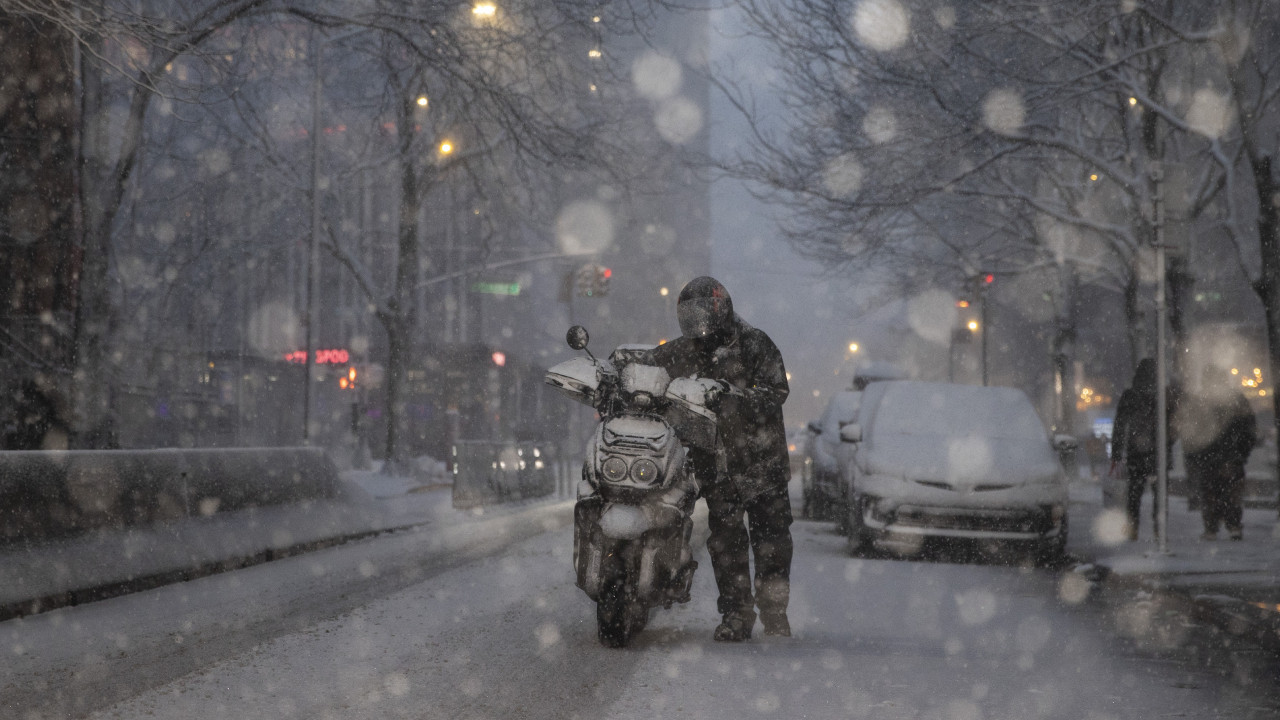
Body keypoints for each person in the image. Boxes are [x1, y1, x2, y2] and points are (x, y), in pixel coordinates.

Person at [647, 276, 793, 641]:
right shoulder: (681, 351)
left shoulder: (755, 343)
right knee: (727, 543)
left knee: (772, 543)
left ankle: (774, 613)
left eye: (700, 313)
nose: (695, 322)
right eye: (688, 315)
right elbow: (647, 368)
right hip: (717, 464)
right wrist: (617, 370)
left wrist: (733, 396)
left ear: (720, 309)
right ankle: (736, 615)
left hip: (762, 464)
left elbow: (776, 390)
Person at [1179, 366, 1256, 540]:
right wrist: (1241, 453)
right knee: (1231, 493)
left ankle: (1212, 527)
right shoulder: (1236, 400)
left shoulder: (1200, 400)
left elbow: (1191, 431)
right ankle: (1233, 525)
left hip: (1208, 456)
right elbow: (1249, 429)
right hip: (1230, 456)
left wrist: (1194, 454)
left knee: (1210, 492)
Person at [1110, 358, 1176, 541]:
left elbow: (1120, 425)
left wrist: (1116, 452)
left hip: (1136, 452)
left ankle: (1133, 527)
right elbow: (1174, 425)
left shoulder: (1130, 395)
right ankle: (1159, 529)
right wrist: (1168, 443)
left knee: (1134, 493)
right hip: (1160, 452)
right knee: (1160, 496)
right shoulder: (1164, 395)